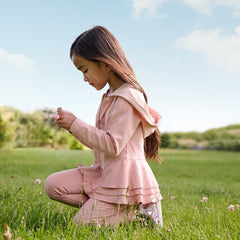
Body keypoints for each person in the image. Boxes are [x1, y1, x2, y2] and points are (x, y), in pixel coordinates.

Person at [44, 26, 163, 227]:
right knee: (52, 185)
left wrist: (75, 123)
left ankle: (140, 213)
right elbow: (99, 141)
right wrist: (71, 127)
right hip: (105, 173)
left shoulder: (128, 97)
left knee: (79, 226)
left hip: (123, 181)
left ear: (105, 63)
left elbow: (112, 145)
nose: (84, 78)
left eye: (85, 70)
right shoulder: (109, 96)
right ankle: (105, 210)